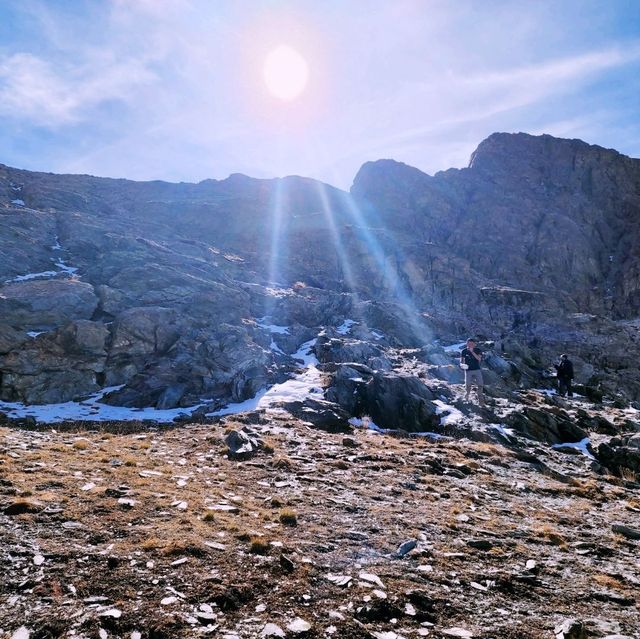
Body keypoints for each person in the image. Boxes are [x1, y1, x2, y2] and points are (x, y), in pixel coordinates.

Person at [460, 338, 485, 407]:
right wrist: (462, 365)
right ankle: (466, 399)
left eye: (471, 344)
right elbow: (461, 361)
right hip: (468, 370)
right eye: (468, 343)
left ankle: (481, 402)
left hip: (477, 370)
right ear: (466, 343)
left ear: (474, 344)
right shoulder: (464, 351)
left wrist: (472, 352)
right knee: (468, 385)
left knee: (480, 385)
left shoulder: (478, 350)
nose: (469, 345)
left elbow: (479, 359)